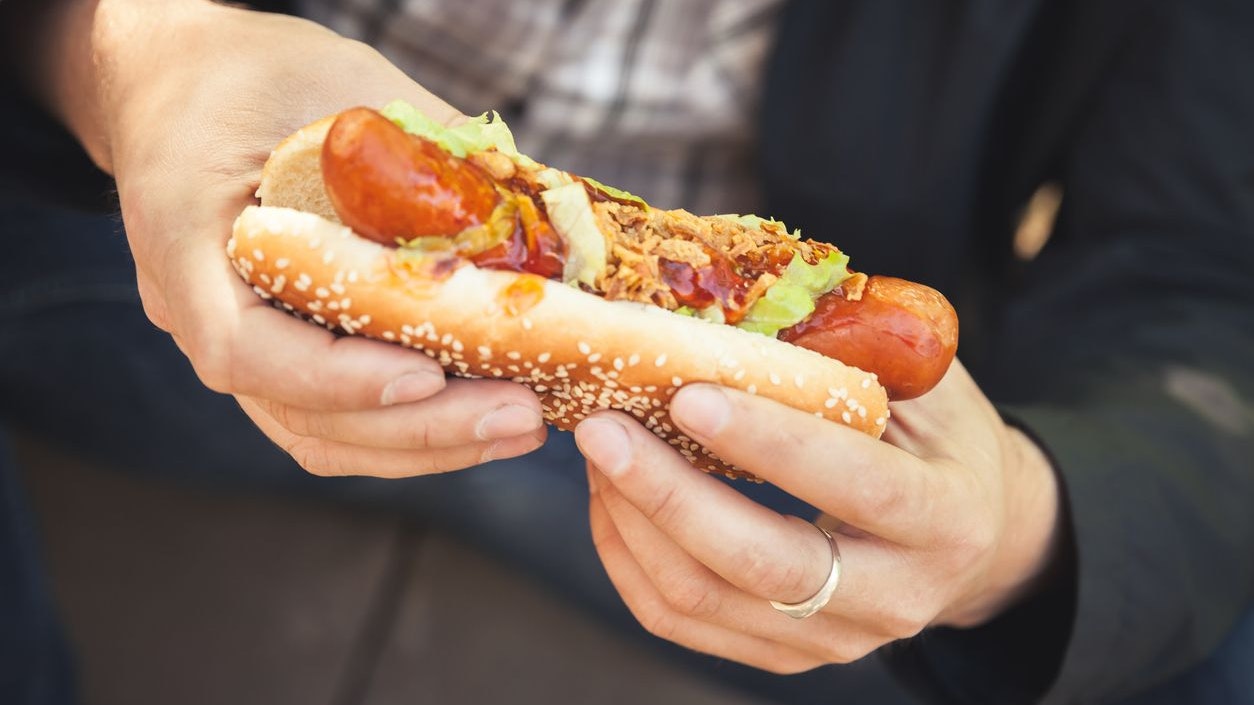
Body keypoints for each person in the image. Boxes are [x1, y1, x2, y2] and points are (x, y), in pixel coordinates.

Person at [1, 1, 1251, 705]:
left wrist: (1017, 532)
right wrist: (115, 50)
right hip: (144, 237)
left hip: (741, 467)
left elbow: (1196, 274)